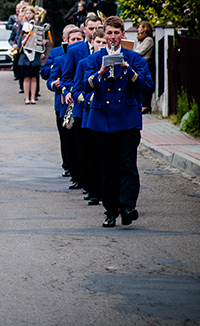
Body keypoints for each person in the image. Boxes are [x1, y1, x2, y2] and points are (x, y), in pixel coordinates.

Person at [82, 16, 154, 227]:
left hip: (127, 119)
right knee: (108, 169)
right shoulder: (94, 59)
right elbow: (84, 86)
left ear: (122, 35)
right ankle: (111, 210)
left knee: (128, 166)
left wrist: (127, 69)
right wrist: (100, 73)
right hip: (102, 120)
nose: (113, 37)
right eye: (109, 33)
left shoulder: (134, 58)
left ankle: (128, 206)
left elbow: (147, 86)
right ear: (104, 35)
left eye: (116, 33)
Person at [61, 14, 103, 190]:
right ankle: (85, 182)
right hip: (81, 106)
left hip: (103, 107)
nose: (94, 31)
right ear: (85, 29)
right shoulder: (74, 50)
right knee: (83, 148)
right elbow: (67, 77)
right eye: (91, 28)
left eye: (97, 28)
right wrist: (76, 94)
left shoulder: (110, 49)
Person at [41, 24, 75, 178]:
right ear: (64, 39)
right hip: (61, 101)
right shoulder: (56, 52)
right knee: (65, 136)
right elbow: (45, 73)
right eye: (71, 38)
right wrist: (55, 80)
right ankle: (67, 165)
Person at [18, 20, 45, 105]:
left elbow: (41, 47)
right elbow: (18, 48)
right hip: (25, 59)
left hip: (35, 59)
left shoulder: (37, 37)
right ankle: (26, 98)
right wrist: (22, 43)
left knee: (34, 78)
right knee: (26, 78)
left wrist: (43, 44)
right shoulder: (22, 37)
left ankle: (33, 97)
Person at [135, 21, 155, 113]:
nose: (138, 29)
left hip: (146, 64)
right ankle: (143, 104)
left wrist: (132, 53)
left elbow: (140, 52)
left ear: (145, 28)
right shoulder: (141, 40)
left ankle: (146, 105)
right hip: (140, 63)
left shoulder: (148, 40)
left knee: (144, 83)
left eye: (140, 27)